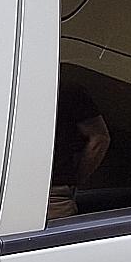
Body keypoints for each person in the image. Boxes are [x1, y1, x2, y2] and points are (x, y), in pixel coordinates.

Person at [48, 73, 111, 221]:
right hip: (51, 192)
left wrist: (73, 180)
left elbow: (99, 139)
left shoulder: (66, 90)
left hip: (52, 196)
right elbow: (99, 138)